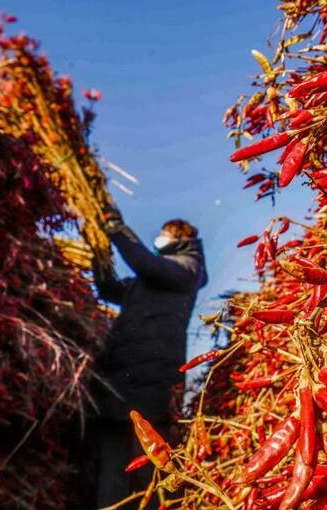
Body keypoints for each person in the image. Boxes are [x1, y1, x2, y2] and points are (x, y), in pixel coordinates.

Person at [89, 212, 207, 509]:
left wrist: (118, 231)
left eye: (167, 233)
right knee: (113, 465)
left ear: (182, 238)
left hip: (154, 379)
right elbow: (109, 289)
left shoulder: (187, 269)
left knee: (149, 464)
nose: (160, 239)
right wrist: (99, 255)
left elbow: (146, 264)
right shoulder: (146, 281)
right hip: (120, 376)